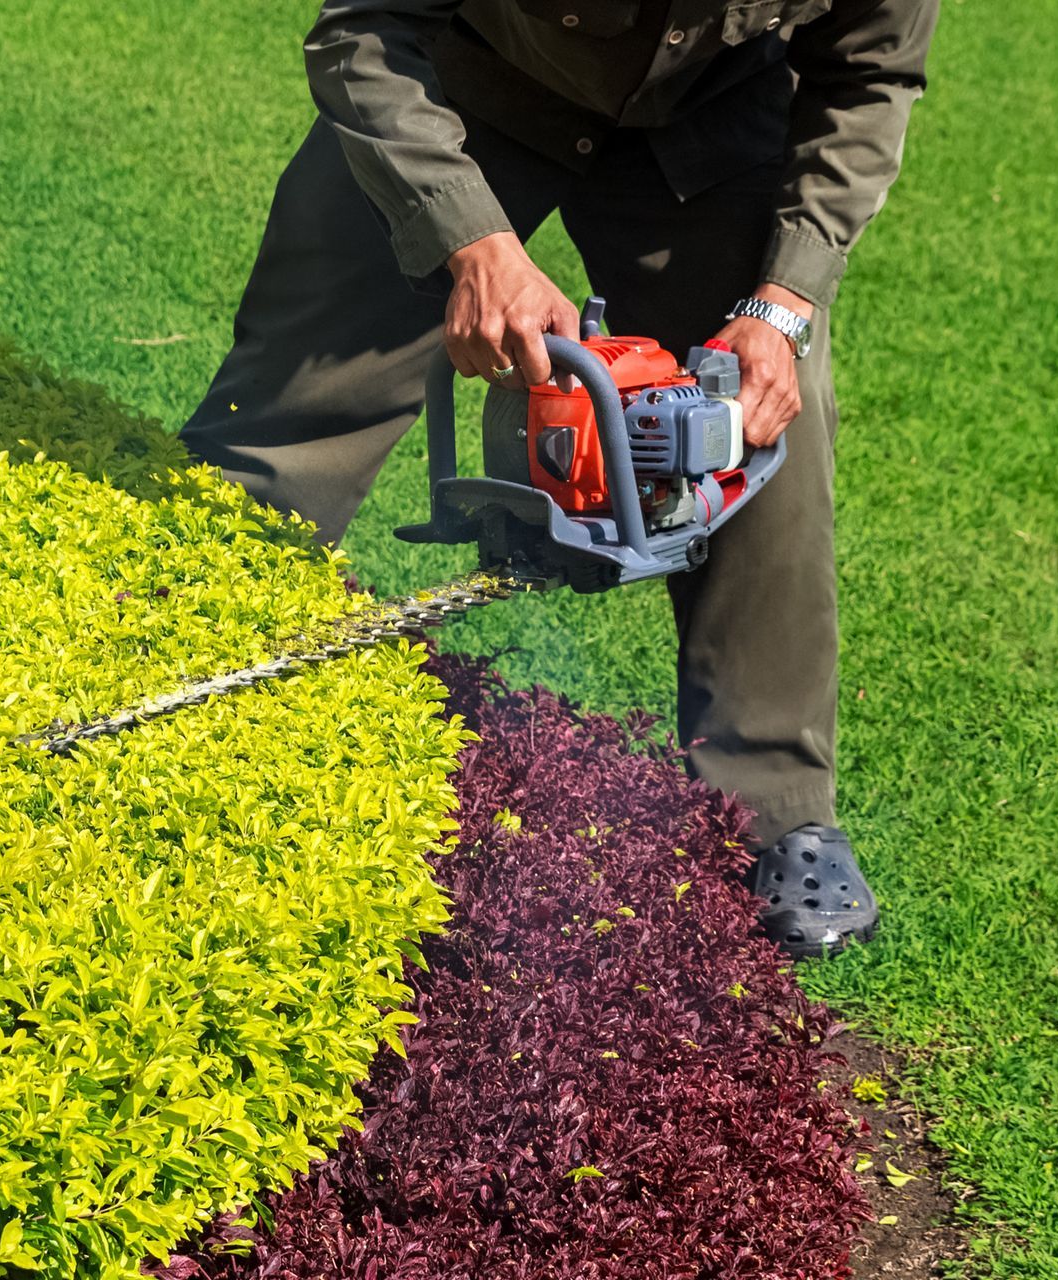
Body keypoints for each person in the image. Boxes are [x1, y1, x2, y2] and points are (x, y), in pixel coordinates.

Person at [181, 0, 939, 958]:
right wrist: (470, 239)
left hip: (707, 120)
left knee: (749, 418)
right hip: (462, 87)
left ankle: (780, 806)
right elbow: (361, 29)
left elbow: (870, 78)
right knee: (289, 408)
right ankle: (181, 658)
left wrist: (782, 302)